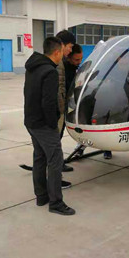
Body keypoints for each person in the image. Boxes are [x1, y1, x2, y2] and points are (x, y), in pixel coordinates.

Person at [24, 36, 75, 216]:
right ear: (57, 52)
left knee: (39, 158)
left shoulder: (33, 67)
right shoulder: (50, 71)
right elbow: (48, 102)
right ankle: (56, 202)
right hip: (44, 124)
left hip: (31, 121)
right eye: (62, 51)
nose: (63, 55)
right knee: (55, 161)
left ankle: (41, 196)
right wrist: (53, 124)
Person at [56, 30, 76, 175]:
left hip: (59, 108)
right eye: (70, 47)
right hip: (56, 110)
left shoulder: (62, 62)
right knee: (54, 141)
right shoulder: (57, 63)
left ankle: (58, 163)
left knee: (57, 139)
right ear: (62, 45)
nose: (70, 51)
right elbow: (58, 89)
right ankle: (55, 171)